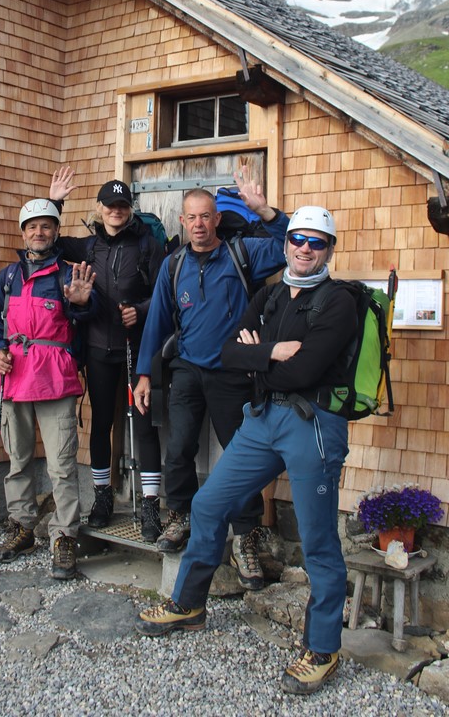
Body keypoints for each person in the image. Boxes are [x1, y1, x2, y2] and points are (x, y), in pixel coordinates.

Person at [136, 205, 358, 697]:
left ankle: (323, 648)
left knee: (319, 539)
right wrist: (270, 353)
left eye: (316, 241)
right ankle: (189, 604)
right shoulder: (271, 294)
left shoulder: (339, 302)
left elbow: (305, 371)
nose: (304, 248)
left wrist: (256, 358)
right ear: (287, 243)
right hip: (263, 419)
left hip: (313, 425)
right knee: (209, 503)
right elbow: (228, 353)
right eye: (297, 238)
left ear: (329, 249)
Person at [133, 176, 289, 589]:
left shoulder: (242, 253)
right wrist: (144, 374)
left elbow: (290, 246)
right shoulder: (174, 265)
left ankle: (245, 536)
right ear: (182, 222)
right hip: (187, 368)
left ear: (217, 219)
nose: (199, 224)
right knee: (179, 447)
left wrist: (265, 211)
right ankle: (181, 515)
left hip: (233, 371)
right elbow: (157, 321)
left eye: (206, 216)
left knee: (242, 456)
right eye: (192, 218)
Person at [48, 167, 165, 541]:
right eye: (110, 205)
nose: (116, 210)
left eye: (122, 205)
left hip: (136, 347)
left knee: (144, 424)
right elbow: (47, 242)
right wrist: (54, 202)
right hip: (99, 348)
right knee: (101, 423)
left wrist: (140, 311)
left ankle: (150, 505)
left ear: (130, 209)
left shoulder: (147, 246)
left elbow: (163, 293)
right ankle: (102, 498)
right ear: (99, 208)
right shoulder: (87, 247)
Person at [0, 198, 97, 581]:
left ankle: (64, 537)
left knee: (62, 465)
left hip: (55, 380)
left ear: (56, 232)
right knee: (17, 461)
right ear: (23, 233)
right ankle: (22, 527)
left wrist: (81, 304)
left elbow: (87, 315)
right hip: (14, 379)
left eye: (46, 226)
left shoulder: (69, 275)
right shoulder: (7, 278)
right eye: (32, 226)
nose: (39, 232)